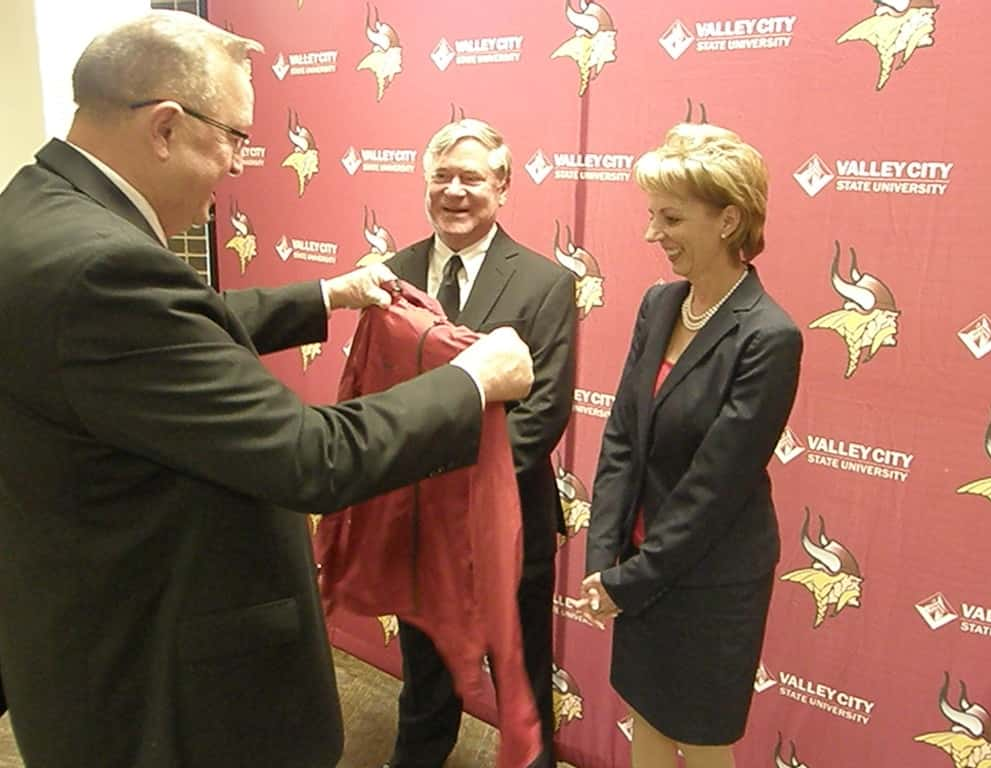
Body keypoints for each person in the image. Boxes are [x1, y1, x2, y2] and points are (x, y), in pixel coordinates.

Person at [0, 12, 533, 768]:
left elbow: (179, 329)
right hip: (160, 690)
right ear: (164, 128)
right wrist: (470, 380)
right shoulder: (102, 268)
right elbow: (310, 455)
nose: (242, 165)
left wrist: (327, 294)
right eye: (236, 138)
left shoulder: (39, 211)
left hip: (86, 641)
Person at [580, 123, 802, 768]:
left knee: (702, 744)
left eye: (671, 217)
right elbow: (623, 436)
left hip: (710, 579)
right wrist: (605, 560)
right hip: (638, 568)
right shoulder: (660, 303)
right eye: (652, 215)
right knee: (646, 720)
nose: (653, 234)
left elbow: (716, 486)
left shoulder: (769, 335)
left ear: (729, 220)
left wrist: (632, 580)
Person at [380, 118, 576, 768]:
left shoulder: (545, 283)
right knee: (425, 689)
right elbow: (377, 401)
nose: (455, 191)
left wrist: (455, 488)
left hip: (510, 527)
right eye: (442, 176)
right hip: (417, 532)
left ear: (503, 187)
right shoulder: (390, 276)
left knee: (521, 692)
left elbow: (542, 414)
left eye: (472, 178)